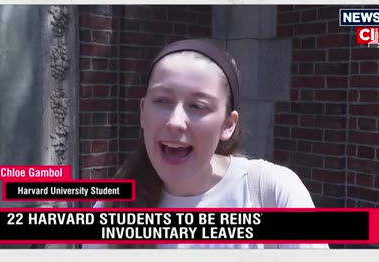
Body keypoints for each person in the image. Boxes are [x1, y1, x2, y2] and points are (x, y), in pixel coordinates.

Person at [83, 39, 328, 249]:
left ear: (228, 125)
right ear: (143, 112)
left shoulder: (273, 192)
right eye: (162, 101)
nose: (175, 122)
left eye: (197, 106)